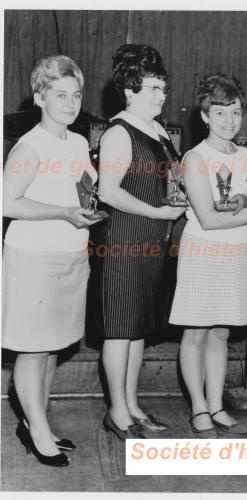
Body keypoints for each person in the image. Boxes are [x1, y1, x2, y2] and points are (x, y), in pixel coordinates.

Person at [169, 74, 247, 438]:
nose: (230, 121)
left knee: (221, 333)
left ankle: (217, 404)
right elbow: (207, 218)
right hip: (203, 250)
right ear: (205, 116)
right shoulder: (194, 158)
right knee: (195, 332)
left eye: (236, 112)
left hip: (236, 251)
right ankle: (198, 407)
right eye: (220, 113)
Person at [3, 55, 99, 466]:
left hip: (72, 254)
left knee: (54, 346)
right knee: (33, 349)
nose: (70, 103)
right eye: (60, 95)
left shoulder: (78, 142)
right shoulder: (29, 146)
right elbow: (7, 201)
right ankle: (38, 431)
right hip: (35, 256)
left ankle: (35, 421)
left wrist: (88, 207)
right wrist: (62, 212)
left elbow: (82, 191)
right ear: (40, 98)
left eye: (75, 95)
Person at [89, 44, 186, 440]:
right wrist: (159, 212)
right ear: (130, 91)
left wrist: (179, 200)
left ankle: (131, 404)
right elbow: (109, 192)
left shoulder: (159, 131)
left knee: (137, 329)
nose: (161, 96)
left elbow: (171, 181)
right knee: (118, 329)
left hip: (152, 243)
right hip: (124, 242)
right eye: (152, 89)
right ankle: (116, 411)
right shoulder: (118, 131)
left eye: (163, 88)